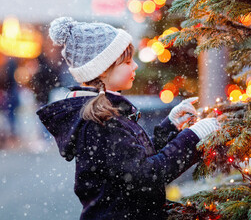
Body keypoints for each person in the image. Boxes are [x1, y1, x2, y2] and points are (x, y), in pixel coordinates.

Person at [36, 17, 220, 220]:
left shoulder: (105, 113)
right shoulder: (102, 123)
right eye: (127, 61)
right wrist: (193, 136)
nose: (135, 66)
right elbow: (147, 174)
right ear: (103, 69)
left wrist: (170, 126)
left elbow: (134, 160)